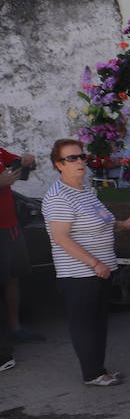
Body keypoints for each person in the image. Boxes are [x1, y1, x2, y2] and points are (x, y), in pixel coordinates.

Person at [42, 139, 130, 386]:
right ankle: (92, 374)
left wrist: (123, 224)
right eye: (71, 158)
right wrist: (94, 263)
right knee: (85, 324)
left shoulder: (85, 191)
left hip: (100, 271)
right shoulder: (57, 196)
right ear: (58, 165)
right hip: (78, 274)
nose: (79, 162)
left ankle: (99, 370)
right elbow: (60, 237)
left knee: (98, 322)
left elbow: (101, 222)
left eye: (81, 156)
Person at [0, 145, 42, 345]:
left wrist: (28, 160)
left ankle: (15, 328)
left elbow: (25, 166)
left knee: (12, 278)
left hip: (10, 226)